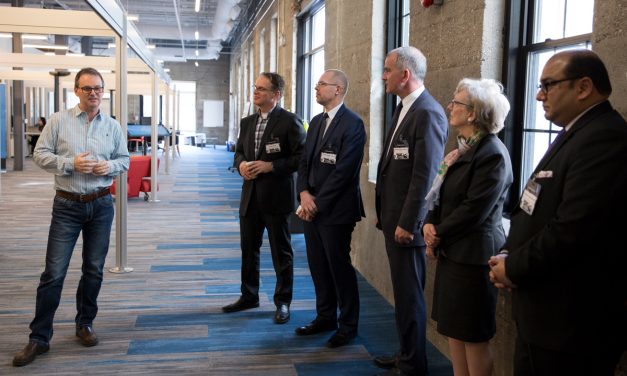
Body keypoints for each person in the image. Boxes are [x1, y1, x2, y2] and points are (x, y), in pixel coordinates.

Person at [489, 50, 627, 375]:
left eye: (548, 85)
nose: (539, 95)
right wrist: (510, 252)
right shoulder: (576, 133)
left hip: (571, 321)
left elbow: (573, 230)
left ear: (582, 87)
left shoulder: (604, 137)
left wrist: (514, 267)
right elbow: (535, 208)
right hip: (546, 313)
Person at [12, 67, 130, 367]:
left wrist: (110, 167)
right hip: (67, 205)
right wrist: (70, 164)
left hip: (101, 205)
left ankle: (84, 323)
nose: (93, 93)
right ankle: (39, 338)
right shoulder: (58, 121)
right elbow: (40, 154)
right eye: (87, 88)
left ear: (102, 91)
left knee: (94, 269)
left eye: (98, 88)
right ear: (76, 91)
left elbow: (124, 159)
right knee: (53, 273)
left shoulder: (113, 126)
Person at [422, 78, 513, 376]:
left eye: (457, 103)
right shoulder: (461, 149)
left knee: (473, 337)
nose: (450, 106)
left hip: (474, 256)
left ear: (474, 113)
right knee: (455, 332)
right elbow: (441, 194)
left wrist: (438, 233)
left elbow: (474, 209)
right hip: (454, 252)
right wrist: (429, 223)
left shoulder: (492, 154)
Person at [374, 46, 448, 376]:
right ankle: (407, 353)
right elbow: (394, 168)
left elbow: (425, 177)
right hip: (394, 219)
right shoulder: (404, 107)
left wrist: (409, 223)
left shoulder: (428, 112)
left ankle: (414, 364)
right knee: (402, 297)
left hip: (408, 226)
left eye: (388, 70)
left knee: (410, 297)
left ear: (405, 75)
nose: (383, 76)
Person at [224, 72, 306, 325]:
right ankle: (249, 295)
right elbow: (239, 153)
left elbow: (301, 158)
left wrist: (272, 167)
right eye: (255, 87)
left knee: (281, 252)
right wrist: (241, 166)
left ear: (276, 94)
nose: (256, 92)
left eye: (261, 88)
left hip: (277, 197)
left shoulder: (290, 121)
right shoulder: (247, 122)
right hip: (250, 198)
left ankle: (283, 301)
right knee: (249, 249)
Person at [294, 69, 366, 348]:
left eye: (321, 84)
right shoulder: (315, 121)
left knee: (339, 268)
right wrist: (303, 194)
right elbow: (304, 163)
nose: (316, 88)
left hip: (336, 211)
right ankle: (325, 316)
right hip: (311, 206)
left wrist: (316, 203)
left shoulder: (353, 124)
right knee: (318, 265)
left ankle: (348, 325)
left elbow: (344, 173)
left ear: (338, 89)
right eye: (316, 84)